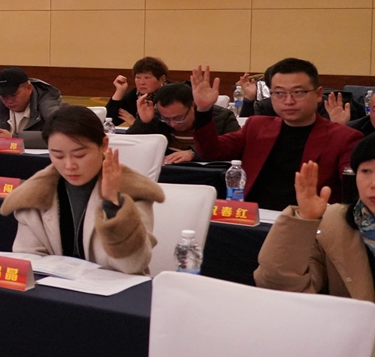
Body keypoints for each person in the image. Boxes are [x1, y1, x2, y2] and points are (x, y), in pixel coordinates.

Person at [1, 106, 164, 274]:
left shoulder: (132, 190)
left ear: (104, 145)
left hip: (114, 288)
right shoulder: (34, 194)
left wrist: (113, 205)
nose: (69, 165)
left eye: (80, 155)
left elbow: (132, 265)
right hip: (55, 288)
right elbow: (27, 258)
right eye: (58, 156)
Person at [191, 60, 362, 211]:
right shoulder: (257, 126)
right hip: (253, 217)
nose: (288, 101)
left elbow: (354, 190)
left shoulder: (344, 138)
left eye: (298, 92)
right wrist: (203, 110)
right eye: (279, 93)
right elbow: (211, 151)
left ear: (318, 94)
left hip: (306, 222)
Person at [256, 150, 375, 300]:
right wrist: (303, 220)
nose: (373, 184)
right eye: (366, 171)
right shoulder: (335, 224)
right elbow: (278, 287)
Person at [114, 82, 240, 163]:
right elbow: (129, 150)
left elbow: (236, 150)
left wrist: (194, 153)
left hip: (206, 176)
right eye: (166, 119)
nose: (173, 124)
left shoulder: (222, 117)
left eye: (178, 118)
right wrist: (143, 122)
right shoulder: (155, 115)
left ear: (193, 105)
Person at [0, 67, 63, 148]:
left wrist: (13, 138)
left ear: (29, 88)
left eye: (13, 95)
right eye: (4, 96)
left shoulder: (49, 106)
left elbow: (63, 135)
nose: (9, 101)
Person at [107, 57, 168, 128]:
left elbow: (166, 128)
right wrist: (119, 91)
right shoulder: (135, 95)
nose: (141, 82)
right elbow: (109, 120)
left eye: (147, 78)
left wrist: (135, 124)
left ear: (162, 79)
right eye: (138, 78)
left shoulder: (171, 95)